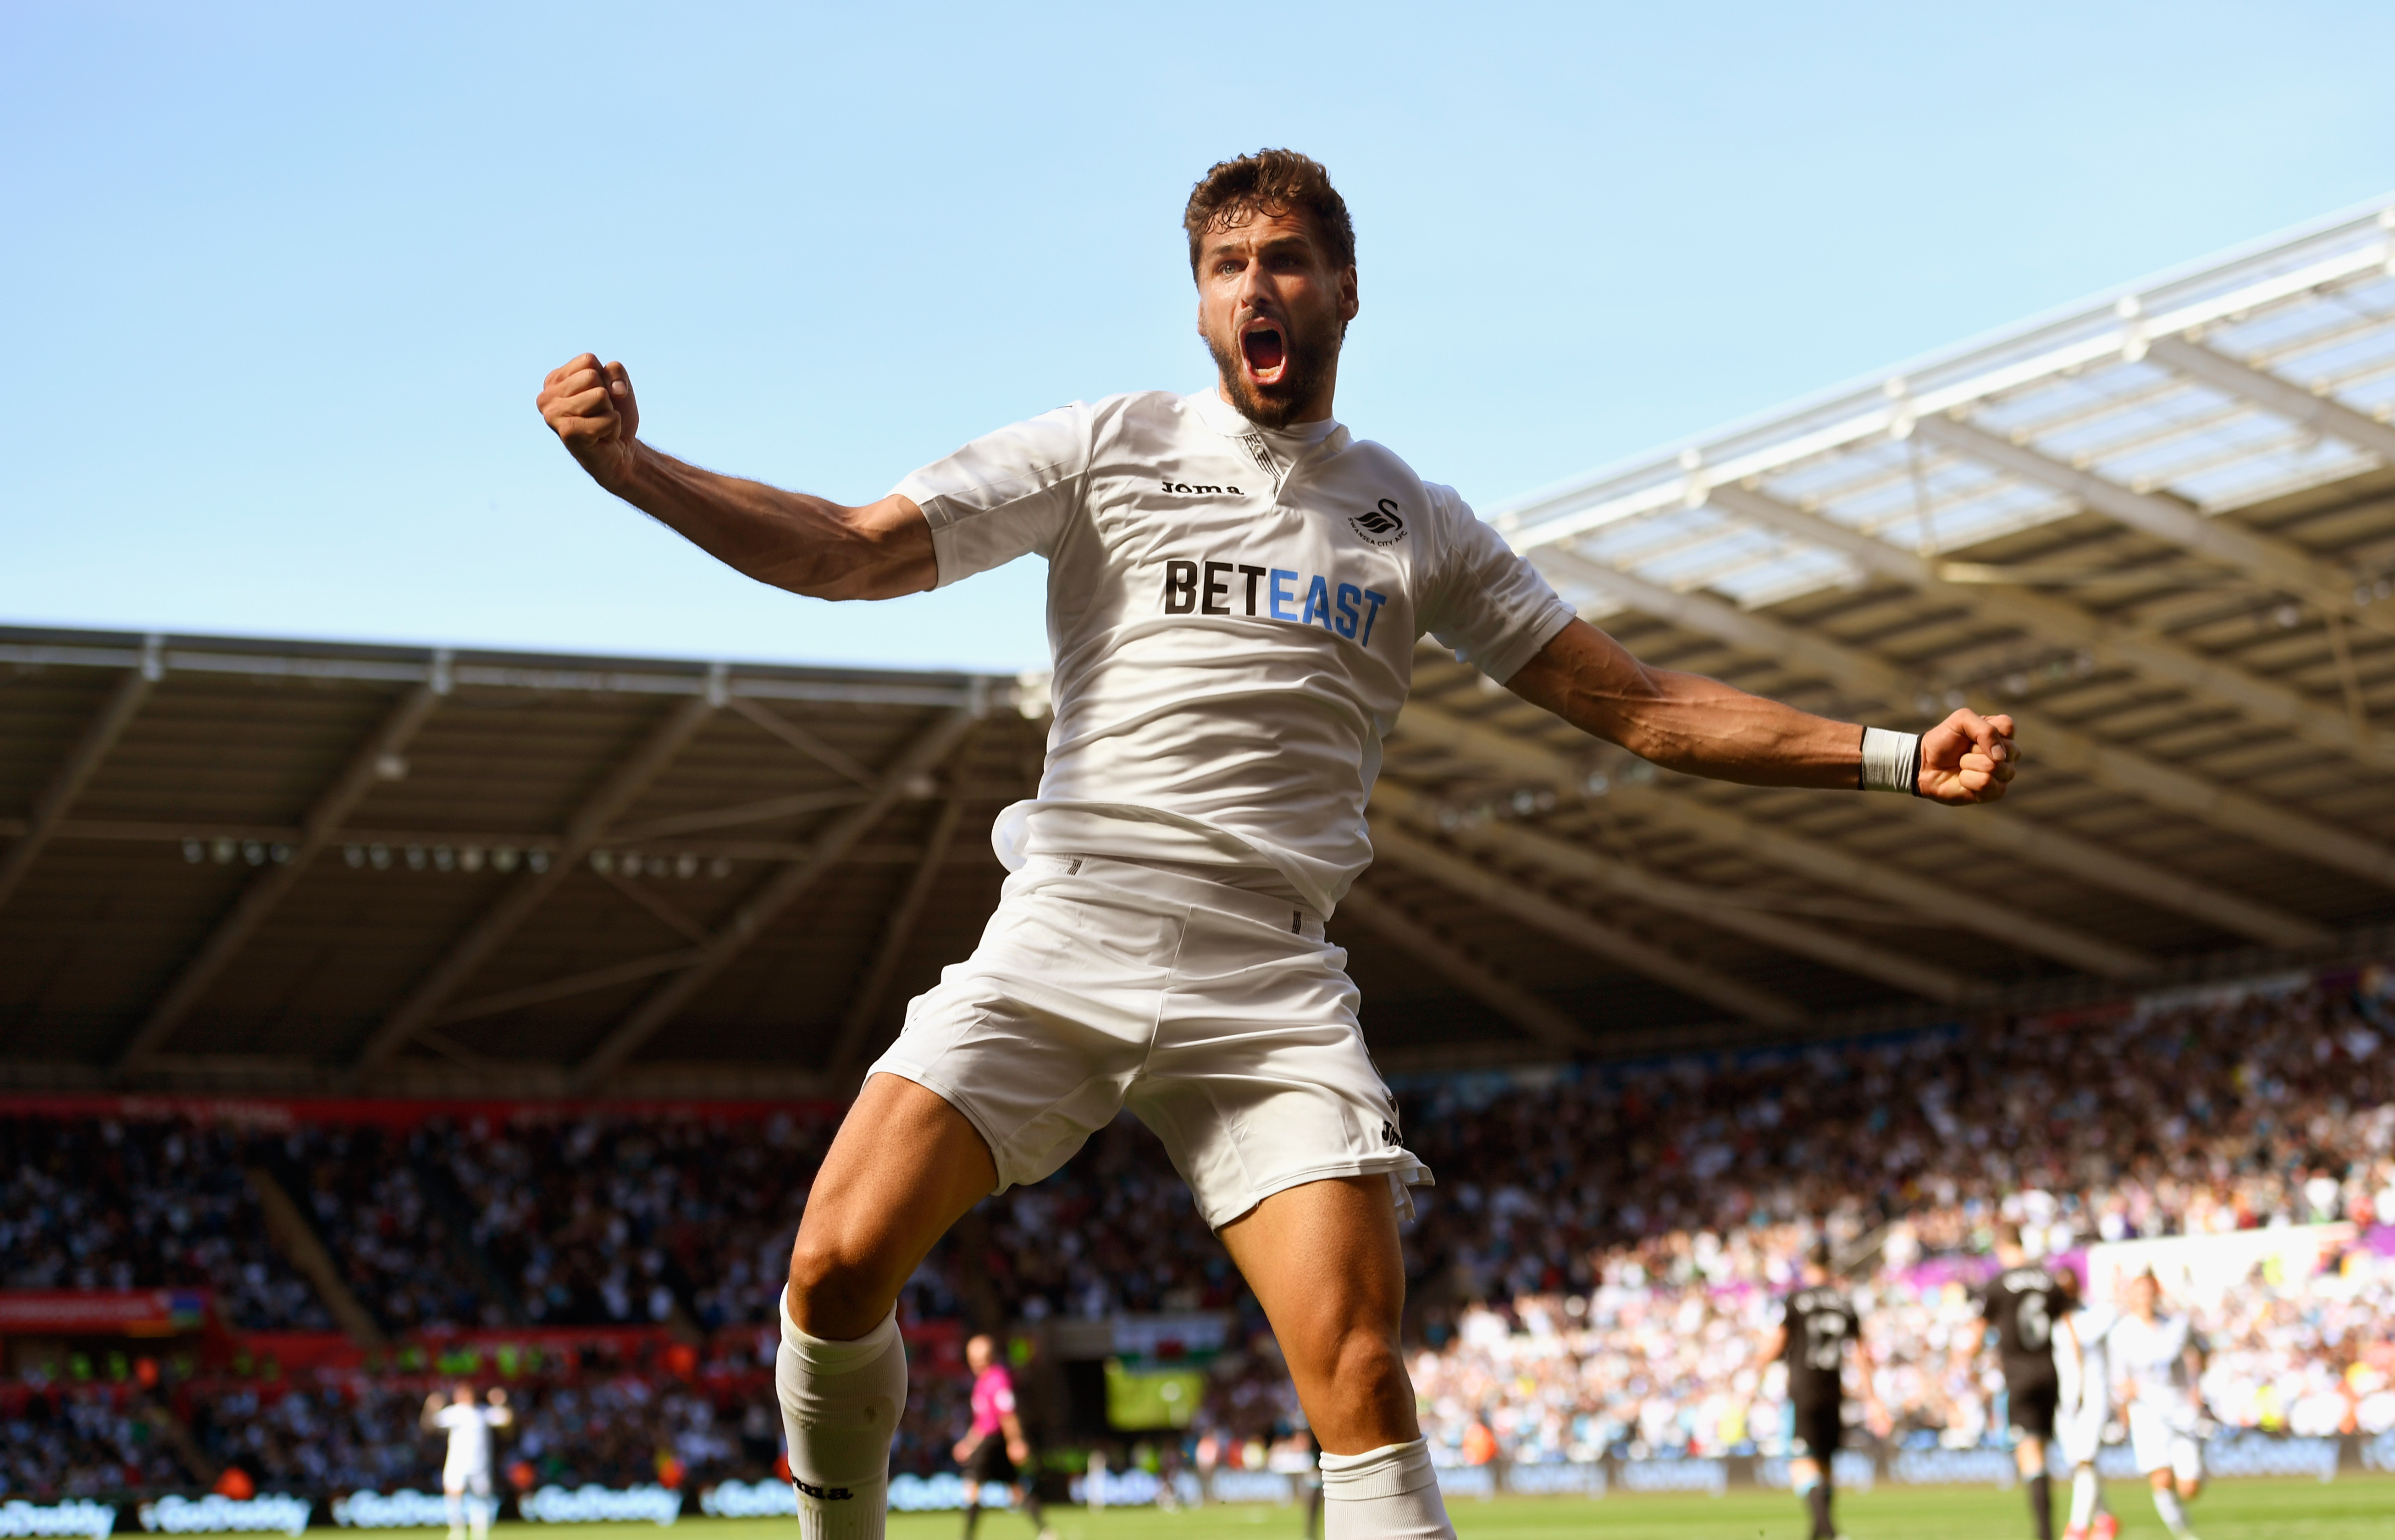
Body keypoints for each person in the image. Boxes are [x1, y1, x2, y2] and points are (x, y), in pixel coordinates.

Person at [537, 148, 2019, 1540]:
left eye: (1290, 260)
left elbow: (1639, 707)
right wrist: (636, 469)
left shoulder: (1414, 518)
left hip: (1268, 983)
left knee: (1363, 1378)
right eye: (1228, 263)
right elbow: (852, 552)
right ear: (1197, 300)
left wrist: (1889, 750)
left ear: (1345, 291)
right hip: (1065, 932)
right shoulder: (1102, 445)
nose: (1258, 287)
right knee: (832, 1265)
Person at [1759, 1242, 1890, 1540]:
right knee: (1826, 1464)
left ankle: (1830, 1533)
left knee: (1802, 1466)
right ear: (1830, 1267)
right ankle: (1819, 1533)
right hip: (1833, 1391)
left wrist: (1755, 1361)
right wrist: (1872, 1400)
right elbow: (1860, 1354)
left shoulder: (1797, 1299)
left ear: (1807, 1266)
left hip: (1803, 1389)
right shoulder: (1844, 1302)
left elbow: (1776, 1346)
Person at [1983, 1234, 2074, 1540]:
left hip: (2020, 1377)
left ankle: (2045, 1533)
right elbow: (2069, 1328)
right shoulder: (2048, 1280)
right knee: (2042, 1450)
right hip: (2049, 1372)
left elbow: (1975, 1334)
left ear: (2002, 1247)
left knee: (2030, 1453)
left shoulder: (1998, 1283)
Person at [2108, 1273, 2205, 1540]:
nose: (2144, 1298)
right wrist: (2125, 1397)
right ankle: (2184, 1534)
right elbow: (2119, 1379)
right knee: (2161, 1479)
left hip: (2179, 1409)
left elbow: (2196, 1356)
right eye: (2139, 1293)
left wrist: (2196, 1388)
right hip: (2147, 1414)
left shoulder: (2176, 1327)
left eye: (2149, 1292)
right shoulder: (2121, 1333)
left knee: (2190, 1488)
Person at [951, 1335, 1051, 1540]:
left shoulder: (997, 1379)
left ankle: (967, 1536)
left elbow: (1007, 1415)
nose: (975, 1363)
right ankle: (1045, 1531)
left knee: (972, 1487)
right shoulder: (983, 1381)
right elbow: (981, 1422)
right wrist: (968, 1444)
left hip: (994, 1441)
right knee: (1015, 1489)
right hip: (990, 1440)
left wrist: (1016, 1441)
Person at [2052, 1264, 2119, 1540]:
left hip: (2092, 1400)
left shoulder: (2095, 1316)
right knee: (2079, 1465)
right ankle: (2104, 1519)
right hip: (2065, 1403)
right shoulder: (2052, 1323)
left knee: (2084, 1459)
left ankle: (2077, 1528)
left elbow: (2089, 1332)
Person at [420, 1383, 511, 1540]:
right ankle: (457, 1531)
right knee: (454, 1497)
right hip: (458, 1464)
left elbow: (507, 1422)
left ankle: (480, 1534)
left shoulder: (483, 1412)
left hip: (480, 1465)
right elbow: (428, 1427)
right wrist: (431, 1407)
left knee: (481, 1499)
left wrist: (501, 1403)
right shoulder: (454, 1413)